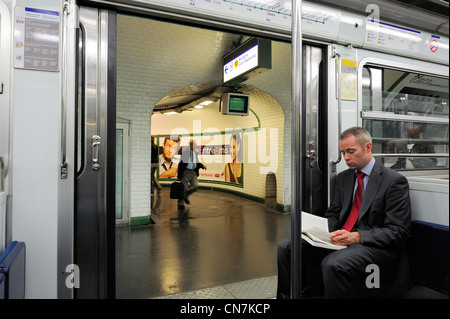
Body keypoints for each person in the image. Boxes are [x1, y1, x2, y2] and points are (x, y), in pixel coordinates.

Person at [277, 126, 412, 299]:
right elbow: (334, 213)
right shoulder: (345, 178)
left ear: (368, 147)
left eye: (351, 151)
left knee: (332, 263)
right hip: (341, 239)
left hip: (370, 245)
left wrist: (356, 236)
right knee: (287, 248)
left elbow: (398, 231)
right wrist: (320, 233)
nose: (346, 158)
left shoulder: (393, 181)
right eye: (343, 153)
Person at [176, 140, 207, 209]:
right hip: (186, 173)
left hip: (193, 173)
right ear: (191, 145)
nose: (196, 146)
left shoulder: (195, 153)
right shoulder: (185, 153)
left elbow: (196, 162)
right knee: (184, 188)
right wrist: (178, 176)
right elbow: (180, 165)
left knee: (195, 186)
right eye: (195, 145)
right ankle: (180, 203)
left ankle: (185, 196)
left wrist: (202, 166)